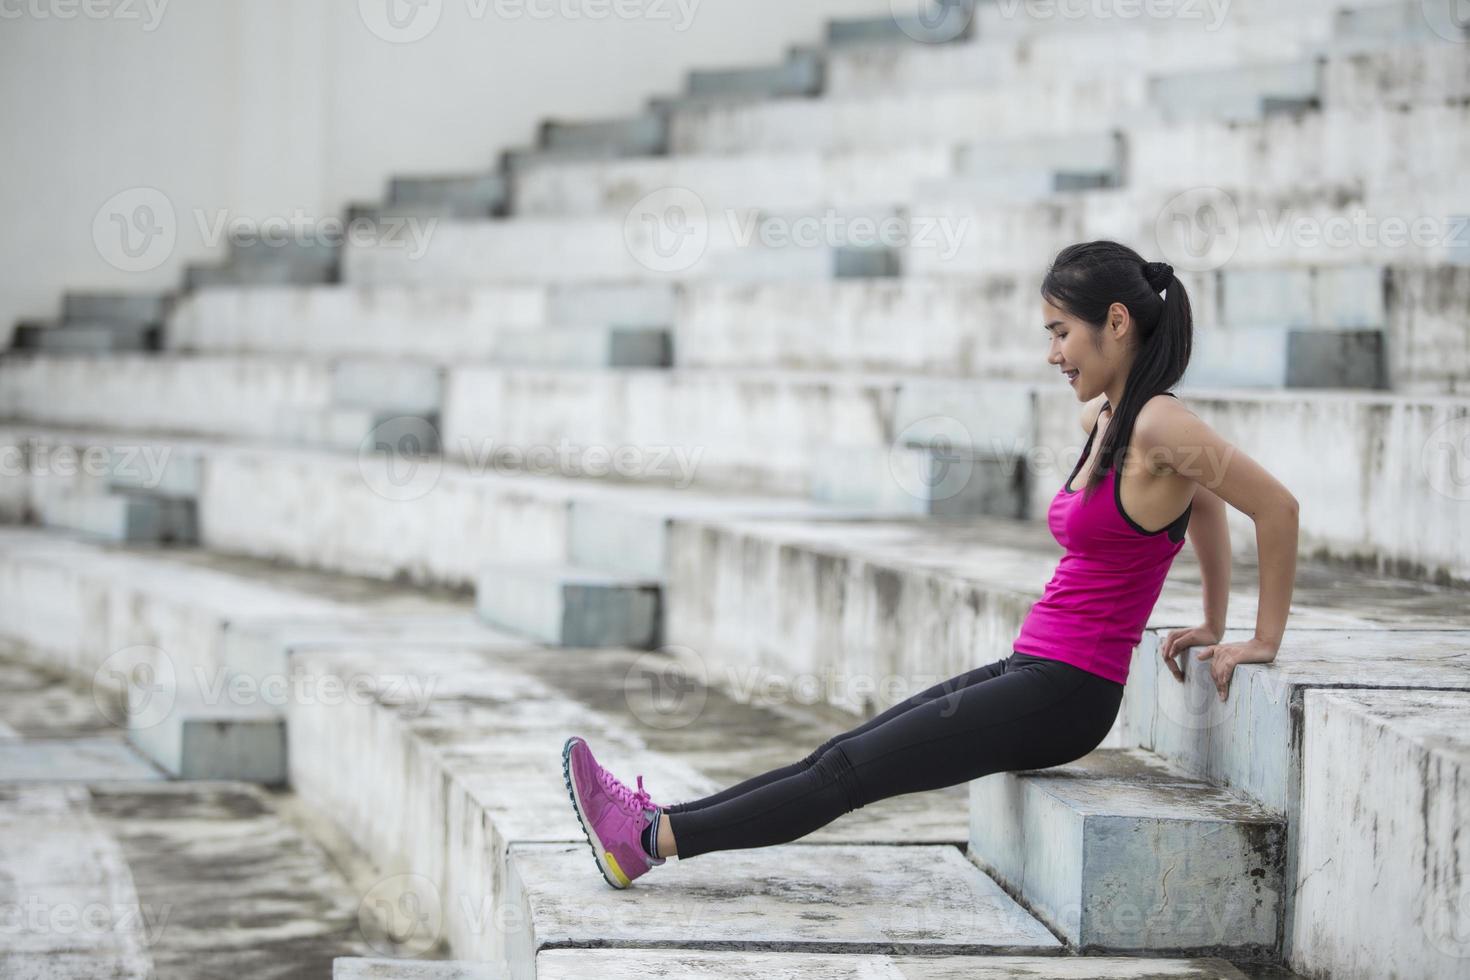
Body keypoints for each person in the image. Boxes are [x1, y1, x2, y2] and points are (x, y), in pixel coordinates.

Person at [562, 239, 1300, 889]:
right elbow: (1200, 503)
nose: (1052, 355)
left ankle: (649, 840)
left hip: (1070, 692)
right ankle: (650, 824)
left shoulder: (1163, 422)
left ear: (1115, 321)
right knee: (841, 752)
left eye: (1060, 333)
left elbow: (1274, 507)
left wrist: (1255, 637)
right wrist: (1207, 618)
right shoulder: (1106, 418)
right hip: (1035, 668)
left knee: (848, 774)